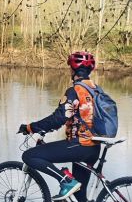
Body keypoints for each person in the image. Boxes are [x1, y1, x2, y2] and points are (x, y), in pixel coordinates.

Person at [18, 51, 102, 201]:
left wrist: (31, 127)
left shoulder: (75, 91)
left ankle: (66, 181)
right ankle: (71, 184)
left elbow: (59, 118)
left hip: (79, 146)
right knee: (79, 196)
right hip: (94, 147)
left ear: (72, 70)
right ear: (90, 71)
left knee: (29, 155)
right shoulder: (97, 90)